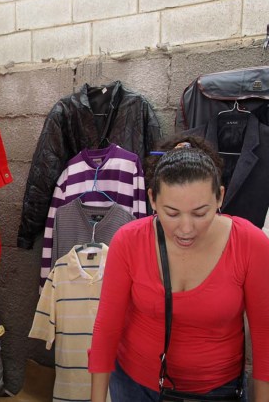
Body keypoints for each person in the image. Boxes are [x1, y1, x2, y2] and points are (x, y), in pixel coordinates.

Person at [88, 135, 269, 402]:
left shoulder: (250, 243)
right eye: (171, 213)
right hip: (134, 386)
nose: (186, 229)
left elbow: (265, 337)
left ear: (220, 197)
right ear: (152, 199)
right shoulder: (128, 241)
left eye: (200, 213)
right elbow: (107, 327)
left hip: (217, 392)